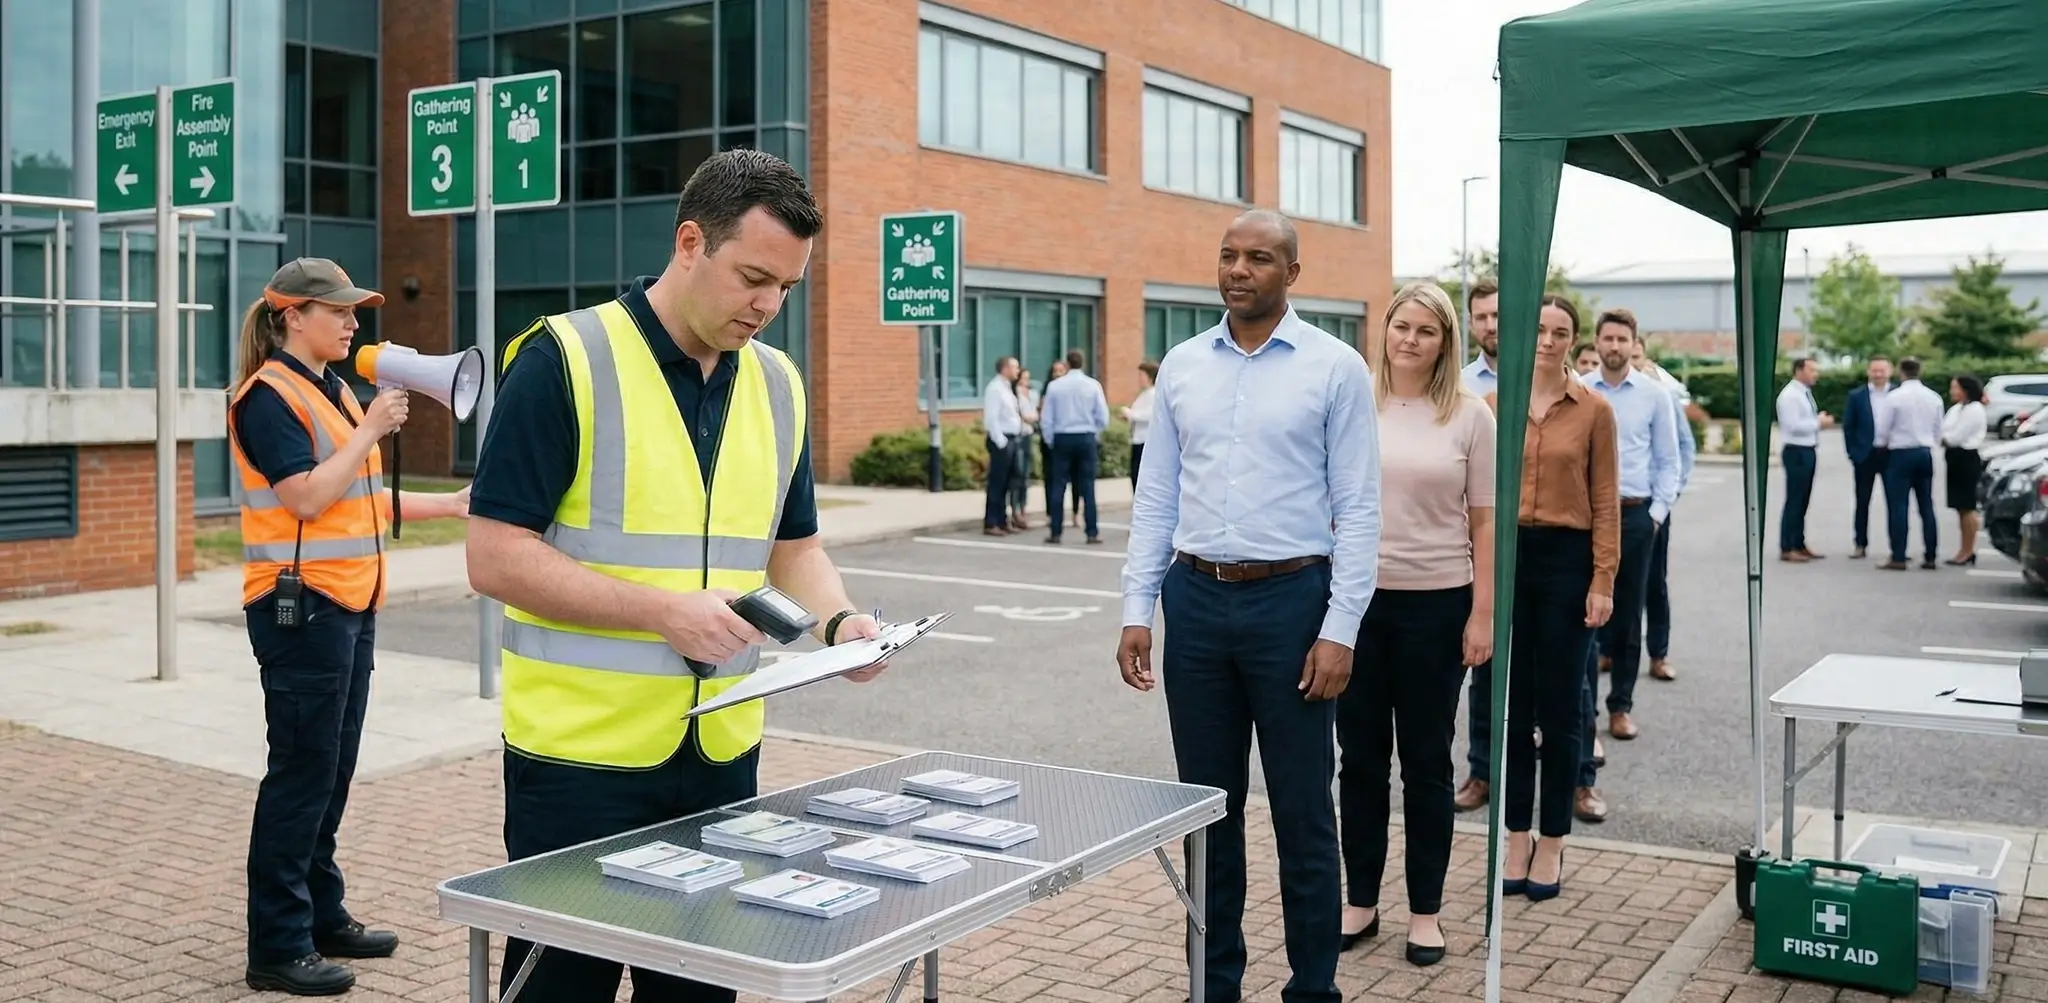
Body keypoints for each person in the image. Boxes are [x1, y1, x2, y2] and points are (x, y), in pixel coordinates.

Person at [463, 150, 889, 1003]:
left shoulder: (779, 384)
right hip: (579, 758)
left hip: (722, 751)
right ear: (690, 241)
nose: (768, 306)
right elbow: (494, 554)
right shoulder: (563, 358)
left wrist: (841, 623)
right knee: (560, 990)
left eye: (787, 288)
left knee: (699, 989)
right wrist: (663, 612)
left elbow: (794, 546)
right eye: (754, 277)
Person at [1118, 209, 1380, 1003]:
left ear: (1291, 274)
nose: (1239, 269)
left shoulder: (1335, 368)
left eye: (1259, 257)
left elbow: (1360, 507)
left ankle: (1312, 989)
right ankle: (1213, 986)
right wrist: (1139, 606)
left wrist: (1340, 628)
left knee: (1303, 814)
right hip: (1194, 601)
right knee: (1207, 814)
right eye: (1229, 255)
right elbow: (1156, 494)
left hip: (1293, 604)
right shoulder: (1184, 367)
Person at [227, 258, 472, 996]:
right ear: (291, 315)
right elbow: (306, 497)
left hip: (348, 605)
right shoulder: (266, 396)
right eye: (338, 311)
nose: (354, 321)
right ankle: (277, 944)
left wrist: (452, 505)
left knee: (330, 774)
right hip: (299, 609)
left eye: (355, 310)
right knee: (300, 777)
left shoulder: (328, 389)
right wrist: (370, 427)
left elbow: (357, 501)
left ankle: (320, 914)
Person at [1335, 282, 1491, 968]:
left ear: (1445, 340)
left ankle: (1425, 911)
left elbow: (1484, 520)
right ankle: (1360, 899)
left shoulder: (1468, 414)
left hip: (1437, 606)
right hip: (1357, 607)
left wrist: (1483, 611)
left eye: (1427, 330)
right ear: (1385, 329)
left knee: (1426, 765)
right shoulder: (1352, 402)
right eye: (1402, 325)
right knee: (1360, 761)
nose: (1410, 339)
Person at [1493, 294, 1618, 902]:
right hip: (1508, 558)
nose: (1547, 339)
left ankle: (1553, 840)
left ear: (1574, 340)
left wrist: (1603, 580)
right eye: (1538, 328)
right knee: (1512, 707)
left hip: (1568, 564)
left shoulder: (1594, 411)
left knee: (1563, 711)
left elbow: (1606, 500)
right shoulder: (1495, 405)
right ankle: (1516, 834)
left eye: (1560, 331)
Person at [1579, 308, 1677, 751]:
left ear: (1632, 343)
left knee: (1628, 612)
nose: (1614, 346)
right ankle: (1585, 712)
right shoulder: (1579, 391)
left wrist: (1656, 514)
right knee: (1583, 614)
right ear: (1596, 342)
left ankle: (1621, 707)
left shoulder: (1654, 395)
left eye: (1622, 339)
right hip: (1585, 518)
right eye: (1608, 339)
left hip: (1635, 516)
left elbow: (1667, 460)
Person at [1455, 279, 1500, 813]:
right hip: (1477, 543)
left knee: (1562, 672)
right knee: (1482, 670)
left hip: (1542, 543)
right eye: (1481, 316)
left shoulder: (1555, 380)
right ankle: (1482, 771)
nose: (1491, 325)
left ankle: (1580, 773)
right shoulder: (1460, 388)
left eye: (1498, 315)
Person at [1628, 336, 1693, 683]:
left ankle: (1658, 653)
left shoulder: (1661, 396)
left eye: (1637, 357)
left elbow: (1684, 449)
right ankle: (1610, 651)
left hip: (1651, 507)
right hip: (1615, 507)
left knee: (1654, 582)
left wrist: (1666, 501)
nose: (1633, 363)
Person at [1875, 357, 1945, 571]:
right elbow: (1938, 430)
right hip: (1924, 452)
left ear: (1900, 372)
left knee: (1898, 505)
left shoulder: (1894, 397)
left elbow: (1883, 430)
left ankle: (1898, 555)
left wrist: (1883, 445)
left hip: (1900, 453)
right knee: (1926, 504)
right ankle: (1930, 554)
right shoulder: (1933, 398)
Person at [1039, 349, 1111, 545]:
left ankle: (1055, 532)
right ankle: (1092, 532)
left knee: (1058, 486)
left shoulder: (1055, 387)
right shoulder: (1093, 385)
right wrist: (1094, 433)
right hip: (1085, 436)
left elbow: (1046, 419)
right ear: (1083, 363)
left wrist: (1050, 440)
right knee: (1088, 486)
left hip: (1062, 437)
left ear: (1068, 364)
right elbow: (1103, 417)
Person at [1841, 357, 1893, 558]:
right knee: (1862, 501)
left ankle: (1896, 547)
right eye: (1874, 370)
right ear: (1868, 372)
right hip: (1865, 454)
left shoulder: (1898, 393)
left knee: (1895, 502)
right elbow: (1849, 426)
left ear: (1889, 372)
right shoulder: (1857, 396)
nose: (1878, 374)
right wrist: (1853, 453)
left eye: (1882, 370)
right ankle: (1860, 544)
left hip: (1890, 453)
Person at [1775, 357, 1827, 562]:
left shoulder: (1804, 394)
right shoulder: (1790, 396)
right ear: (1798, 370)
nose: (1816, 374)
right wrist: (1819, 422)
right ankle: (1787, 546)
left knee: (1803, 499)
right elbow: (1792, 425)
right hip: (1796, 450)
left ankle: (1798, 541)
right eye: (1812, 370)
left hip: (1808, 448)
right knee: (1795, 499)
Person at [1941, 375, 1989, 566]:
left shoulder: (1975, 410)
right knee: (1959, 507)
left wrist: (1945, 437)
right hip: (1953, 458)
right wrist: (1944, 436)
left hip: (1966, 458)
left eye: (1955, 388)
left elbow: (1955, 437)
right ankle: (1963, 548)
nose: (1952, 391)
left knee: (1967, 506)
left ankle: (1968, 549)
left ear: (1966, 389)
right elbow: (1942, 430)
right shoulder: (1956, 409)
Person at [982, 356, 1024, 536]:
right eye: (1015, 367)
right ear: (1005, 368)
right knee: (997, 483)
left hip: (1013, 438)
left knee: (1009, 483)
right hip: (1002, 440)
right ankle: (991, 522)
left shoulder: (1008, 388)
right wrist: (1001, 442)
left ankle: (1002, 519)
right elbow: (992, 418)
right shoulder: (995, 389)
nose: (1018, 370)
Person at [1010, 368, 1041, 530]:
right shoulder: (1015, 394)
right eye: (1023, 378)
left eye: (1028, 378)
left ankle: (1023, 508)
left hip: (1028, 434)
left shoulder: (1031, 393)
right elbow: (1021, 414)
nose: (1026, 381)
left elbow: (1035, 413)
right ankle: (1015, 511)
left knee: (1025, 474)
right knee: (1018, 473)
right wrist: (1029, 417)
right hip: (1019, 434)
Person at [1122, 360, 1159, 488]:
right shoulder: (1143, 394)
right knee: (1135, 475)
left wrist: (1131, 414)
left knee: (1140, 477)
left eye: (1141, 375)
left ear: (1149, 377)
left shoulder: (1154, 394)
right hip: (1137, 439)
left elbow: (1150, 415)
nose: (1139, 379)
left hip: (1145, 440)